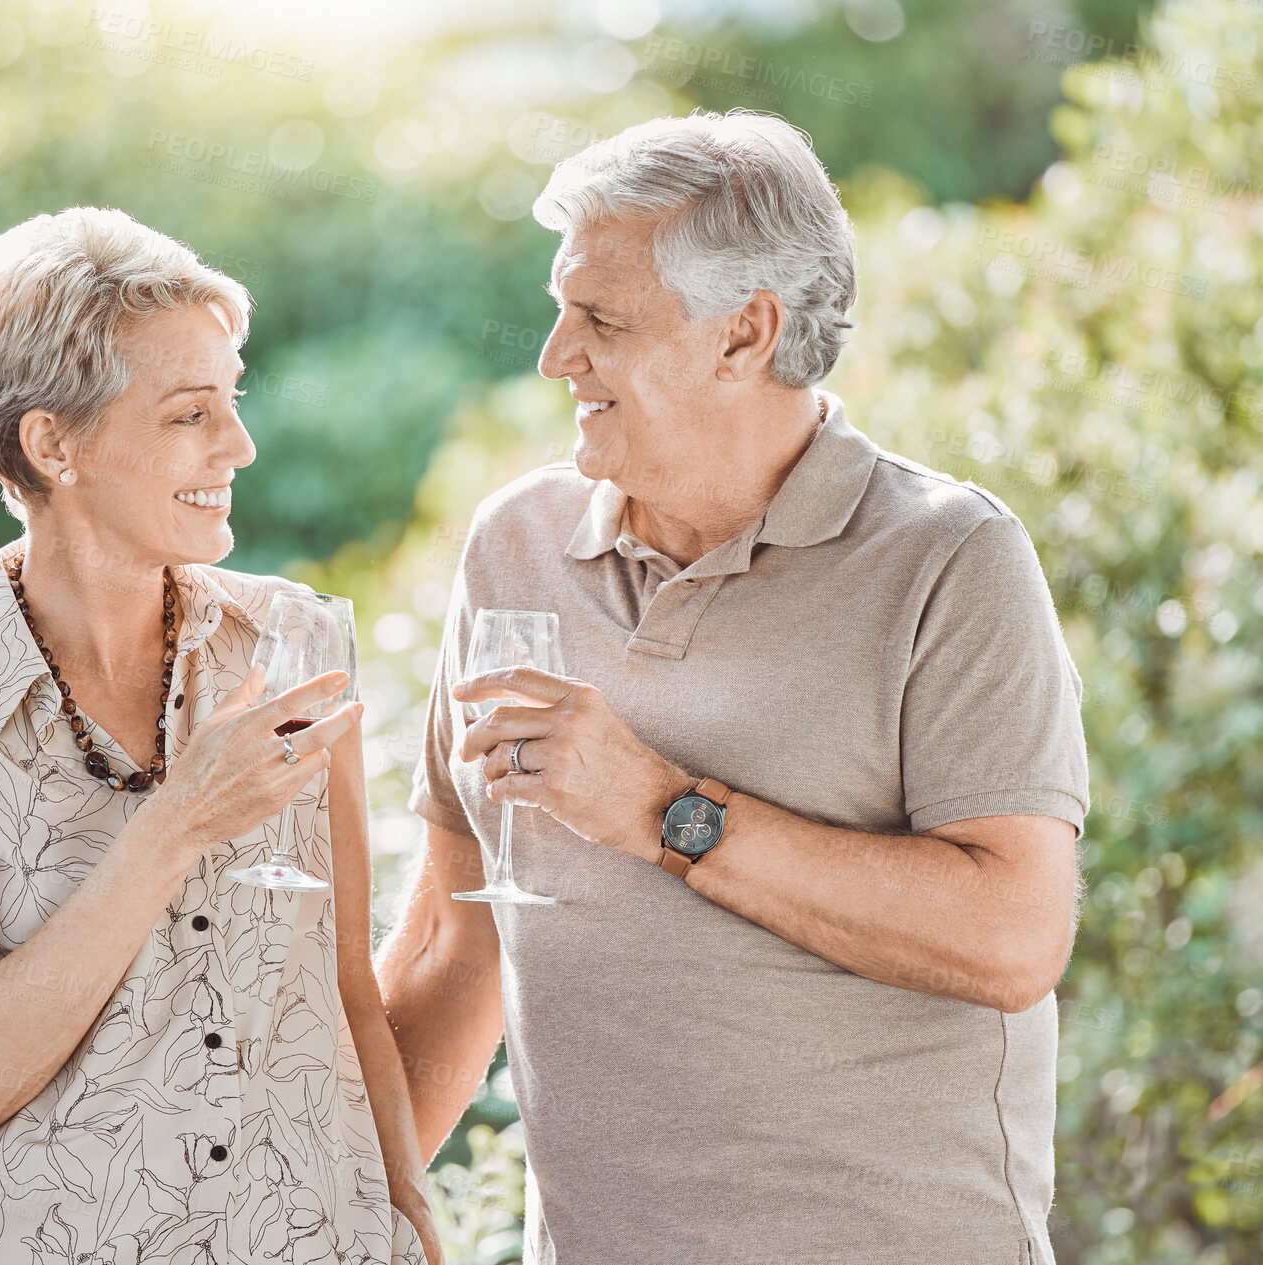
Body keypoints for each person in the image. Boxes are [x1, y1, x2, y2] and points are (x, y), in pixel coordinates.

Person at [379, 109, 1089, 1264]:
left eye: (600, 318)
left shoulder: (949, 560)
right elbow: (454, 940)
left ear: (744, 333)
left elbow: (1011, 936)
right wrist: (332, 1201)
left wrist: (664, 811)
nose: (557, 355)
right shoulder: (515, 547)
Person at [0, 206, 439, 1265]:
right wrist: (176, 825)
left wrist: (411, 1217)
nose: (239, 445)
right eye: (190, 414)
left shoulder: (298, 642)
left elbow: (348, 988)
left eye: (232, 403)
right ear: (51, 442)